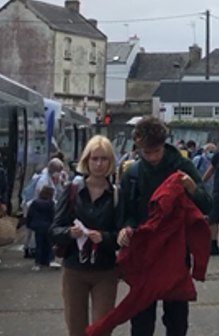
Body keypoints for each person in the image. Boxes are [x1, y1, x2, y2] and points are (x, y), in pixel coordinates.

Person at [117, 117, 212, 336]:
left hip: (175, 250)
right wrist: (126, 228)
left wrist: (191, 187)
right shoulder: (132, 173)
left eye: (156, 151)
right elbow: (127, 213)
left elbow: (207, 204)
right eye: (145, 152)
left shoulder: (182, 166)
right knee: (141, 317)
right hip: (144, 251)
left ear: (164, 144)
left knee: (176, 318)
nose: (151, 157)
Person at [52, 135, 122, 336]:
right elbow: (54, 229)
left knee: (102, 328)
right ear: (86, 161)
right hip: (75, 269)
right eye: (94, 159)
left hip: (105, 270)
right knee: (76, 329)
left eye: (104, 159)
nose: (99, 164)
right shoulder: (72, 190)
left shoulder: (116, 194)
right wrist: (68, 233)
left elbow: (121, 233)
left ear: (110, 162)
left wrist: (105, 237)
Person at [27, 184, 57, 271]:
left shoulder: (35, 202)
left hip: (38, 226)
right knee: (49, 244)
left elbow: (30, 214)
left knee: (39, 245)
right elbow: (53, 215)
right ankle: (50, 260)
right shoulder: (51, 204)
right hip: (48, 226)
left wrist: (29, 224)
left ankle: (37, 263)